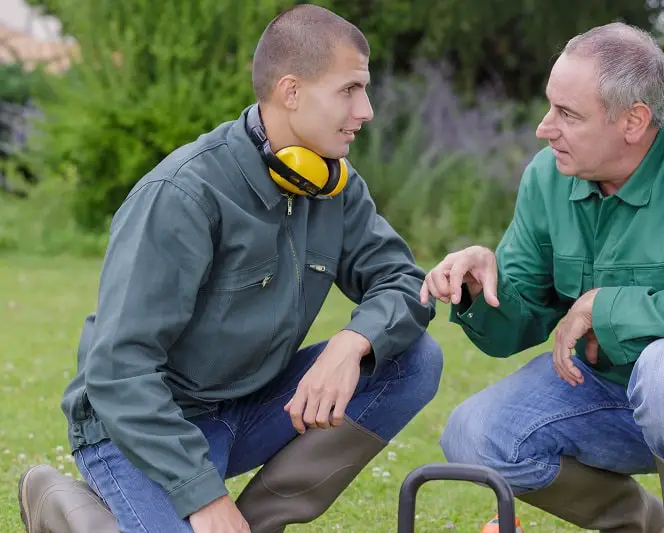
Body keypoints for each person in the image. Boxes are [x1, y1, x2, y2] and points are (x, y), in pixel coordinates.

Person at [18, 5, 443, 533]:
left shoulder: (334, 185)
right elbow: (119, 371)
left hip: (247, 409)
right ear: (291, 91)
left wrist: (353, 342)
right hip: (142, 431)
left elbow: (403, 280)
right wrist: (200, 495)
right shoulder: (182, 195)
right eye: (350, 90)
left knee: (411, 360)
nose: (367, 110)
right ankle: (62, 504)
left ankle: (253, 522)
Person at [423, 22, 664, 533]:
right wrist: (478, 291)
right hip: (610, 389)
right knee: (475, 434)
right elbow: (518, 324)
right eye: (549, 105)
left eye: (567, 114)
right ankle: (646, 524)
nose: (544, 127)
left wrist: (606, 306)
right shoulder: (547, 175)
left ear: (633, 121)